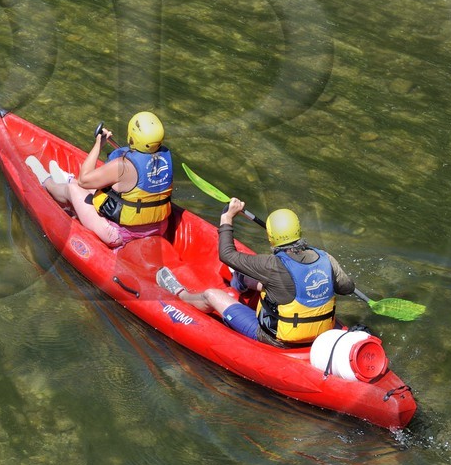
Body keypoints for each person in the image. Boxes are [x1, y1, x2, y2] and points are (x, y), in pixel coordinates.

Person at [160, 198, 357, 347]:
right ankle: (242, 281)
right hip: (322, 333)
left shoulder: (271, 264)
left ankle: (178, 292)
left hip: (277, 339)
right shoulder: (326, 258)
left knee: (212, 295)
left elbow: (226, 255)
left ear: (271, 236)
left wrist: (227, 218)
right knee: (276, 284)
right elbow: (347, 288)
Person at [27, 111, 174, 247]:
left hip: (119, 235)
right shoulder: (165, 156)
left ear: (132, 136)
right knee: (103, 188)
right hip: (159, 228)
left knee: (74, 187)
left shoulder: (122, 166)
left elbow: (83, 181)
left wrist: (99, 144)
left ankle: (46, 180)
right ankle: (66, 178)